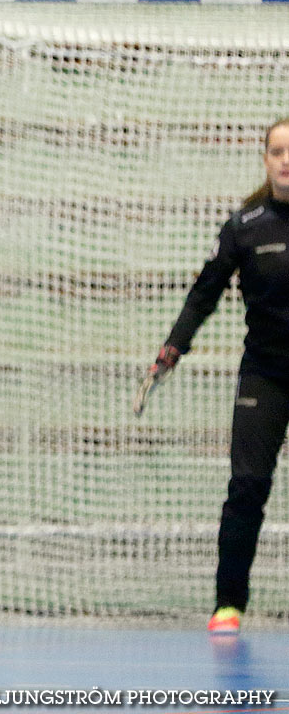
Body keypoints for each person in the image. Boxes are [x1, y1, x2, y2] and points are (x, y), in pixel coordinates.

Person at [134, 116, 289, 637]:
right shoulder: (244, 227)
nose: (286, 160)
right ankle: (228, 604)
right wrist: (172, 348)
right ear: (264, 159)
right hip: (265, 376)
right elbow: (204, 294)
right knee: (247, 486)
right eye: (277, 151)